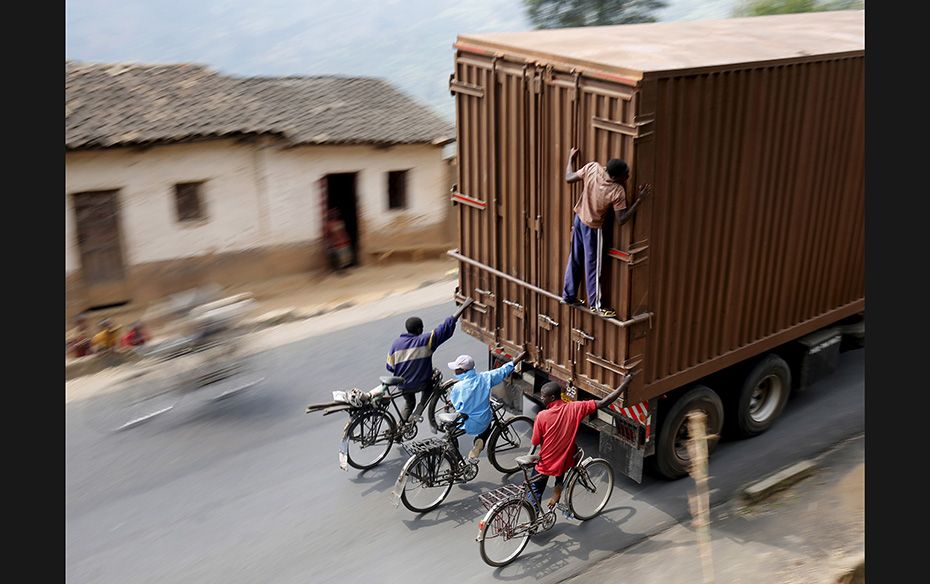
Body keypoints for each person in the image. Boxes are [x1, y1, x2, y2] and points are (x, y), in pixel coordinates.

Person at [561, 147, 650, 317]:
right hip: (593, 229)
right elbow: (622, 220)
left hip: (579, 220)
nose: (628, 176)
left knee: (575, 258)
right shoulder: (617, 191)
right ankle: (597, 305)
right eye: (626, 174)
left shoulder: (592, 168)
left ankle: (569, 295)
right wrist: (639, 200)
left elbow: (568, 178)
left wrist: (570, 160)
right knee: (593, 266)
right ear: (616, 177)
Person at [530, 372, 637, 508]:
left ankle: (533, 520)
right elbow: (605, 401)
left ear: (551, 398)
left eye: (543, 396)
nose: (541, 398)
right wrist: (624, 384)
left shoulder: (541, 416)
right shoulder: (575, 407)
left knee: (534, 492)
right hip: (563, 460)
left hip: (546, 463)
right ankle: (558, 487)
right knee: (567, 453)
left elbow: (535, 441)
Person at [386, 298, 474, 424]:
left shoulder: (395, 344)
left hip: (403, 385)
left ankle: (400, 428)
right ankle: (419, 411)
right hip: (420, 383)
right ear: (418, 330)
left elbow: (390, 367)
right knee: (430, 387)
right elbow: (445, 327)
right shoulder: (426, 341)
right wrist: (464, 306)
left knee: (409, 402)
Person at [447, 351, 527, 461]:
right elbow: (502, 371)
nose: (455, 371)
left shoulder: (458, 387)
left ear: (463, 371)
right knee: (488, 422)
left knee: (450, 430)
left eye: (456, 369)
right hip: (483, 422)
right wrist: (518, 359)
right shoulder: (485, 378)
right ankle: (479, 444)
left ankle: (455, 458)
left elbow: (457, 405)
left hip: (467, 424)